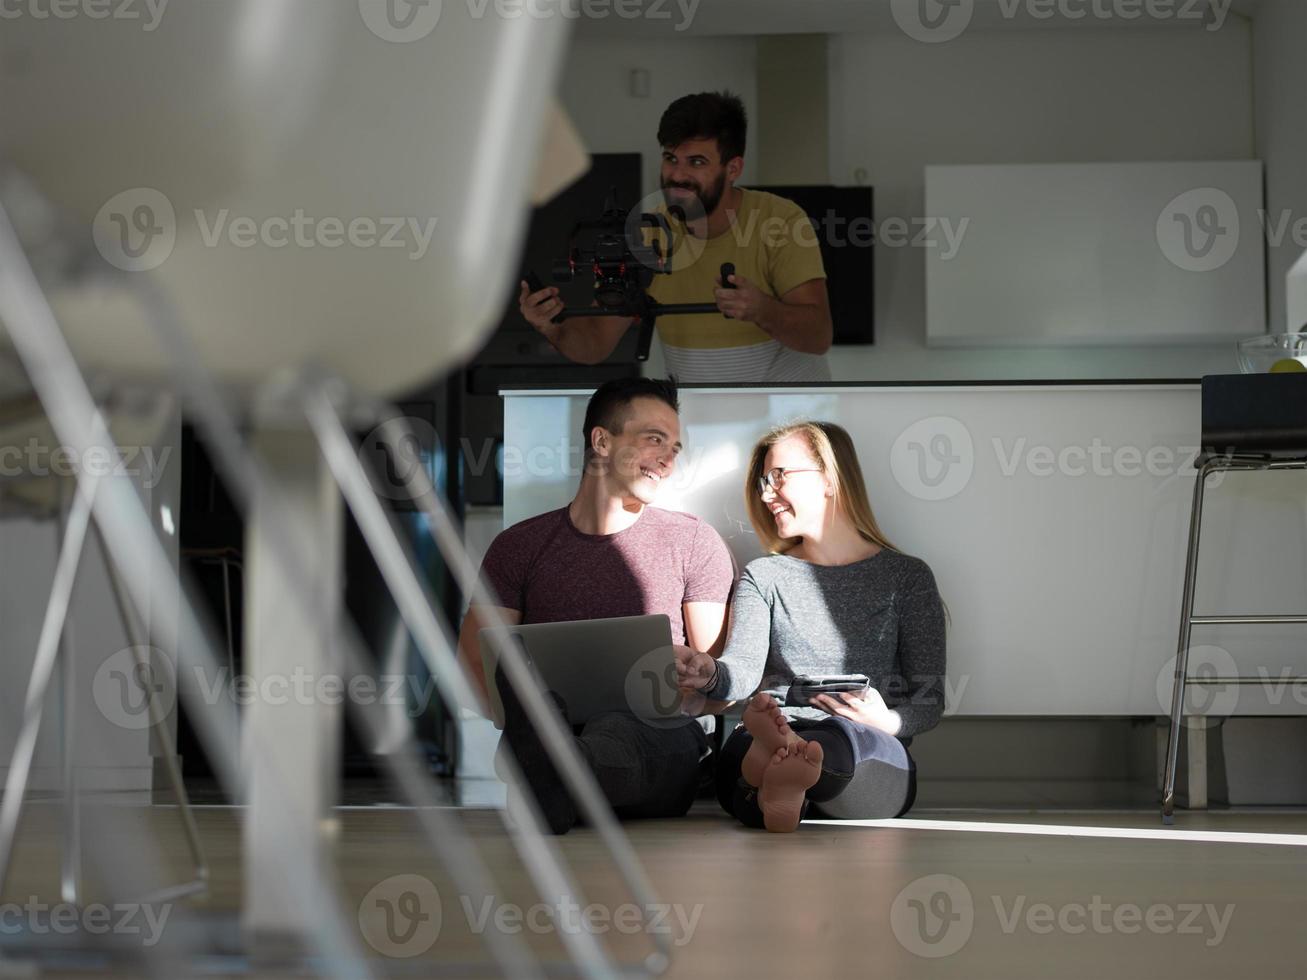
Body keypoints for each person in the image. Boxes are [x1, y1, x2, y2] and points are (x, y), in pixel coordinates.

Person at [457, 377, 735, 834]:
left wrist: (693, 676)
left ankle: (554, 770)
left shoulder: (693, 541)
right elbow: (475, 661)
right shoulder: (518, 546)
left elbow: (718, 686)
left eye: (675, 448)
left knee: (618, 731)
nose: (668, 459)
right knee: (548, 715)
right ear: (602, 441)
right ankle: (555, 761)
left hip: (660, 737)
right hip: (561, 726)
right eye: (654, 439)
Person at [677, 421, 946, 832]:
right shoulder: (764, 575)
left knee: (839, 743)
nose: (767, 494)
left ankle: (775, 767)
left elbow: (929, 698)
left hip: (865, 738)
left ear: (830, 478)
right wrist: (708, 671)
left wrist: (887, 721)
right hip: (781, 717)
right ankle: (778, 761)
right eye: (763, 482)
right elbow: (743, 670)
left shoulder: (905, 577)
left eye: (778, 476)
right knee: (754, 744)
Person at [518, 91, 834, 383]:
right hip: (703, 424)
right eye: (670, 158)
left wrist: (763, 310)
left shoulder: (780, 220)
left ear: (733, 168)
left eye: (696, 162)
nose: (678, 175)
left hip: (791, 422)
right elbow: (594, 344)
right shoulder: (647, 230)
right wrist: (551, 326)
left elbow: (818, 336)